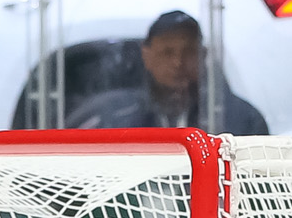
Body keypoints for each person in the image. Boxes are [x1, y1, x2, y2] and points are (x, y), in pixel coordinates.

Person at [67, 9, 270, 132]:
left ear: (204, 55)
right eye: (167, 52)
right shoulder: (116, 119)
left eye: (189, 52)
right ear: (146, 56)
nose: (177, 62)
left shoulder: (243, 119)